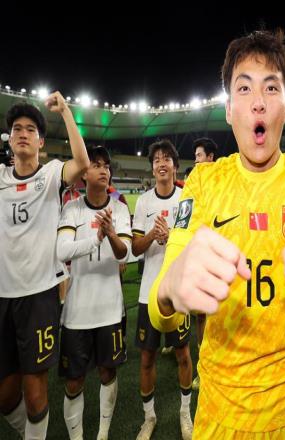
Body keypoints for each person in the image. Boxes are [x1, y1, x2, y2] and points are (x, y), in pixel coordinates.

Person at [148, 29, 285, 438]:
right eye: (244, 88)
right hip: (216, 417)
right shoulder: (202, 183)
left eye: (271, 87)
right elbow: (163, 314)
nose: (258, 101)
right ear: (229, 109)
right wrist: (168, 289)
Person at [0, 95, 89, 439]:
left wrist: (65, 111)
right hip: (3, 297)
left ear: (40, 142)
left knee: (36, 393)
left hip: (39, 296)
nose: (23, 133)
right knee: (6, 396)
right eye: (16, 129)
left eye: (30, 129)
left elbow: (81, 162)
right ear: (9, 139)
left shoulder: (51, 175)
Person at [56, 146, 131, 440]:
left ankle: (103, 433)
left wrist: (110, 234)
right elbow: (62, 251)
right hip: (77, 313)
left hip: (110, 310)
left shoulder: (120, 209)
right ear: (84, 174)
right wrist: (95, 239)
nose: (103, 170)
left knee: (107, 373)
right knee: (74, 381)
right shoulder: (72, 208)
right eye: (96, 165)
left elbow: (124, 255)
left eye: (106, 166)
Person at [132, 140, 193, 440]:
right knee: (147, 359)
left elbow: (194, 246)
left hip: (178, 292)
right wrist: (152, 236)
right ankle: (149, 417)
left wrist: (172, 237)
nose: (161, 163)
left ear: (175, 166)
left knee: (183, 355)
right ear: (153, 168)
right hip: (148, 294)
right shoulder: (144, 202)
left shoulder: (186, 201)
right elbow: (135, 248)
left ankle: (185, 413)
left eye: (166, 158)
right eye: (156, 159)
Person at [189, 137, 219, 390]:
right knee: (201, 314)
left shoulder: (224, 182)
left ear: (210, 157)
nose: (196, 160)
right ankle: (203, 366)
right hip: (200, 257)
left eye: (199, 156)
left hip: (220, 259)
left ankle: (218, 365)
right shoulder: (194, 184)